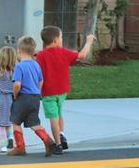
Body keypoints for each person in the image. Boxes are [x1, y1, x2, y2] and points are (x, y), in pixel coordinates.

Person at [36, 26, 95, 154]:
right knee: (59, 114)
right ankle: (61, 135)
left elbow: (39, 74)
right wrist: (89, 42)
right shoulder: (64, 53)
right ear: (56, 39)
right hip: (62, 91)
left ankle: (57, 144)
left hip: (48, 92)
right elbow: (82, 55)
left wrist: (36, 91)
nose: (62, 39)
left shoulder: (40, 55)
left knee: (53, 117)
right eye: (61, 37)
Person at [7, 36, 57, 157]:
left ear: (18, 50)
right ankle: (48, 140)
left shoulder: (19, 66)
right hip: (35, 98)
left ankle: (20, 147)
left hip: (22, 97)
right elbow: (41, 81)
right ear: (33, 51)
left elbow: (17, 84)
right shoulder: (36, 65)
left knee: (15, 121)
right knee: (34, 122)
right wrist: (37, 92)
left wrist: (15, 96)